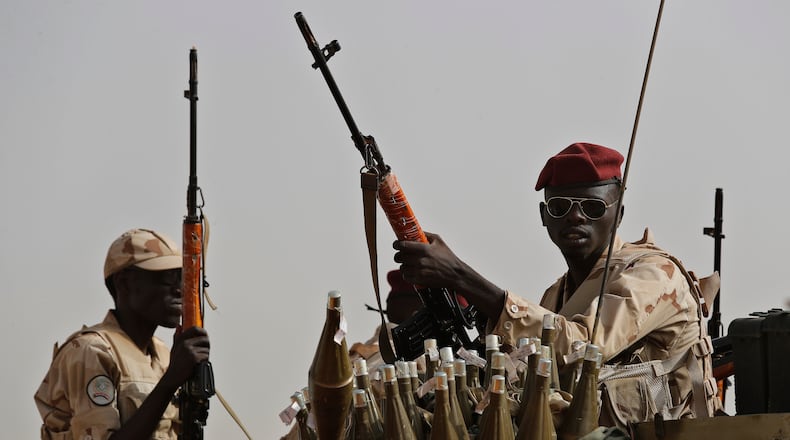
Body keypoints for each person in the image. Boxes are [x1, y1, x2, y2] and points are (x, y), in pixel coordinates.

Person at [393, 142, 719, 428]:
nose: (575, 217)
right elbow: (532, 368)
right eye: (560, 207)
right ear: (544, 216)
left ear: (618, 215)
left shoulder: (653, 274)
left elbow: (585, 347)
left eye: (592, 207)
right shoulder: (557, 295)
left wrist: (460, 276)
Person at [34, 228, 210, 439]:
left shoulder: (163, 355)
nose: (180, 289)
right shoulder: (92, 351)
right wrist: (170, 381)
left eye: (182, 278)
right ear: (124, 283)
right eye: (166, 278)